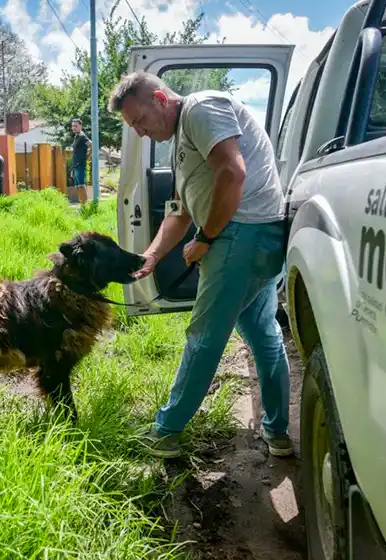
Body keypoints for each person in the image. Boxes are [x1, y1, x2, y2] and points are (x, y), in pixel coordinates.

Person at [107, 71, 292, 459]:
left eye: (140, 121)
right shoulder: (181, 143)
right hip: (253, 235)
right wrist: (153, 256)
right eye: (133, 128)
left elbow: (233, 172)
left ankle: (166, 431)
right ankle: (277, 433)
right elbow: (179, 212)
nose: (140, 133)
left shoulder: (201, 108)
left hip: (242, 233)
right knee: (263, 334)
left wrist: (205, 239)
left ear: (160, 98)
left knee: (204, 336)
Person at [70, 118, 91, 199]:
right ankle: (82, 207)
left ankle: (85, 207)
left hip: (80, 165)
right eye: (73, 126)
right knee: (78, 187)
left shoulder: (82, 136)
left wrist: (87, 157)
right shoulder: (76, 137)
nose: (74, 128)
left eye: (76, 126)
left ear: (80, 126)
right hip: (76, 166)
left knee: (81, 186)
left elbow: (91, 145)